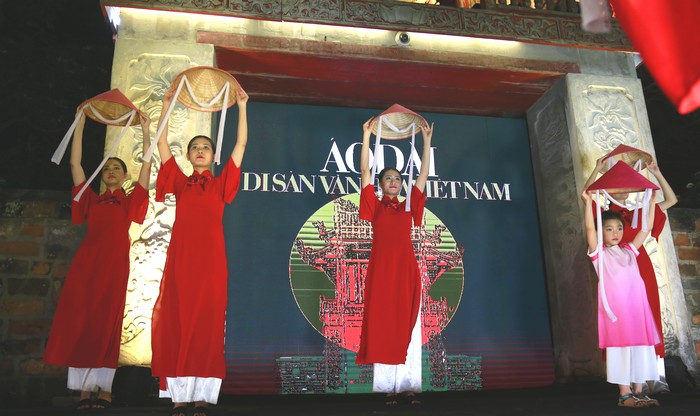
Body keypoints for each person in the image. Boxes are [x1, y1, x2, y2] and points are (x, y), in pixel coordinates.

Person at [151, 87, 248, 416]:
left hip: (211, 261)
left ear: (212, 155)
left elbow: (241, 145)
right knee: (178, 320)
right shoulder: (180, 182)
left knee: (207, 323)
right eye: (195, 147)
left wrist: (243, 107)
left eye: (206, 147)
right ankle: (179, 397)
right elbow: (161, 144)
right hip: (182, 259)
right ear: (189, 156)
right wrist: (166, 106)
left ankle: (203, 396)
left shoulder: (220, 184)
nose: (201, 150)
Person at [44, 111, 151, 410]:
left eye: (117, 168)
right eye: (107, 168)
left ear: (125, 176)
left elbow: (147, 166)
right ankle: (83, 392)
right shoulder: (91, 199)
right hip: (87, 265)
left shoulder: (129, 200)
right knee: (82, 321)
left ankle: (105, 390)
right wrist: (79, 124)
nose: (112, 171)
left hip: (115, 266)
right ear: (101, 176)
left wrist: (146, 131)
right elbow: (75, 164)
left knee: (108, 324)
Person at [355, 118, 433, 405]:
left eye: (397, 179)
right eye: (388, 178)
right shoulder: (375, 206)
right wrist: (366, 135)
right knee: (382, 326)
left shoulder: (409, 205)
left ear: (401, 184)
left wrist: (426, 142)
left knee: (407, 326)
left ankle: (410, 386)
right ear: (381, 184)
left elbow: (423, 175)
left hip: (405, 270)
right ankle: (387, 388)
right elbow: (365, 171)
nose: (393, 182)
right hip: (381, 272)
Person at [583, 156, 677, 364]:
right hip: (614, 271)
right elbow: (586, 195)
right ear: (607, 190)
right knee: (621, 320)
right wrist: (597, 170)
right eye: (616, 183)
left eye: (626, 183)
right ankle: (623, 370)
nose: (623, 187)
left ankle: (653, 368)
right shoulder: (602, 216)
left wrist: (656, 173)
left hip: (639, 266)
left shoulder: (639, 213)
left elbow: (671, 201)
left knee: (647, 315)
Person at [582, 188, 661, 407]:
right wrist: (588, 203)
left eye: (619, 228)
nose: (615, 232)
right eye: (609, 229)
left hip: (637, 309)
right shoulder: (599, 254)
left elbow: (645, 228)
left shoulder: (629, 250)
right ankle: (624, 395)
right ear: (601, 232)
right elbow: (589, 228)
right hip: (616, 311)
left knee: (640, 347)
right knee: (621, 349)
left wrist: (651, 202)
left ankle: (639, 392)